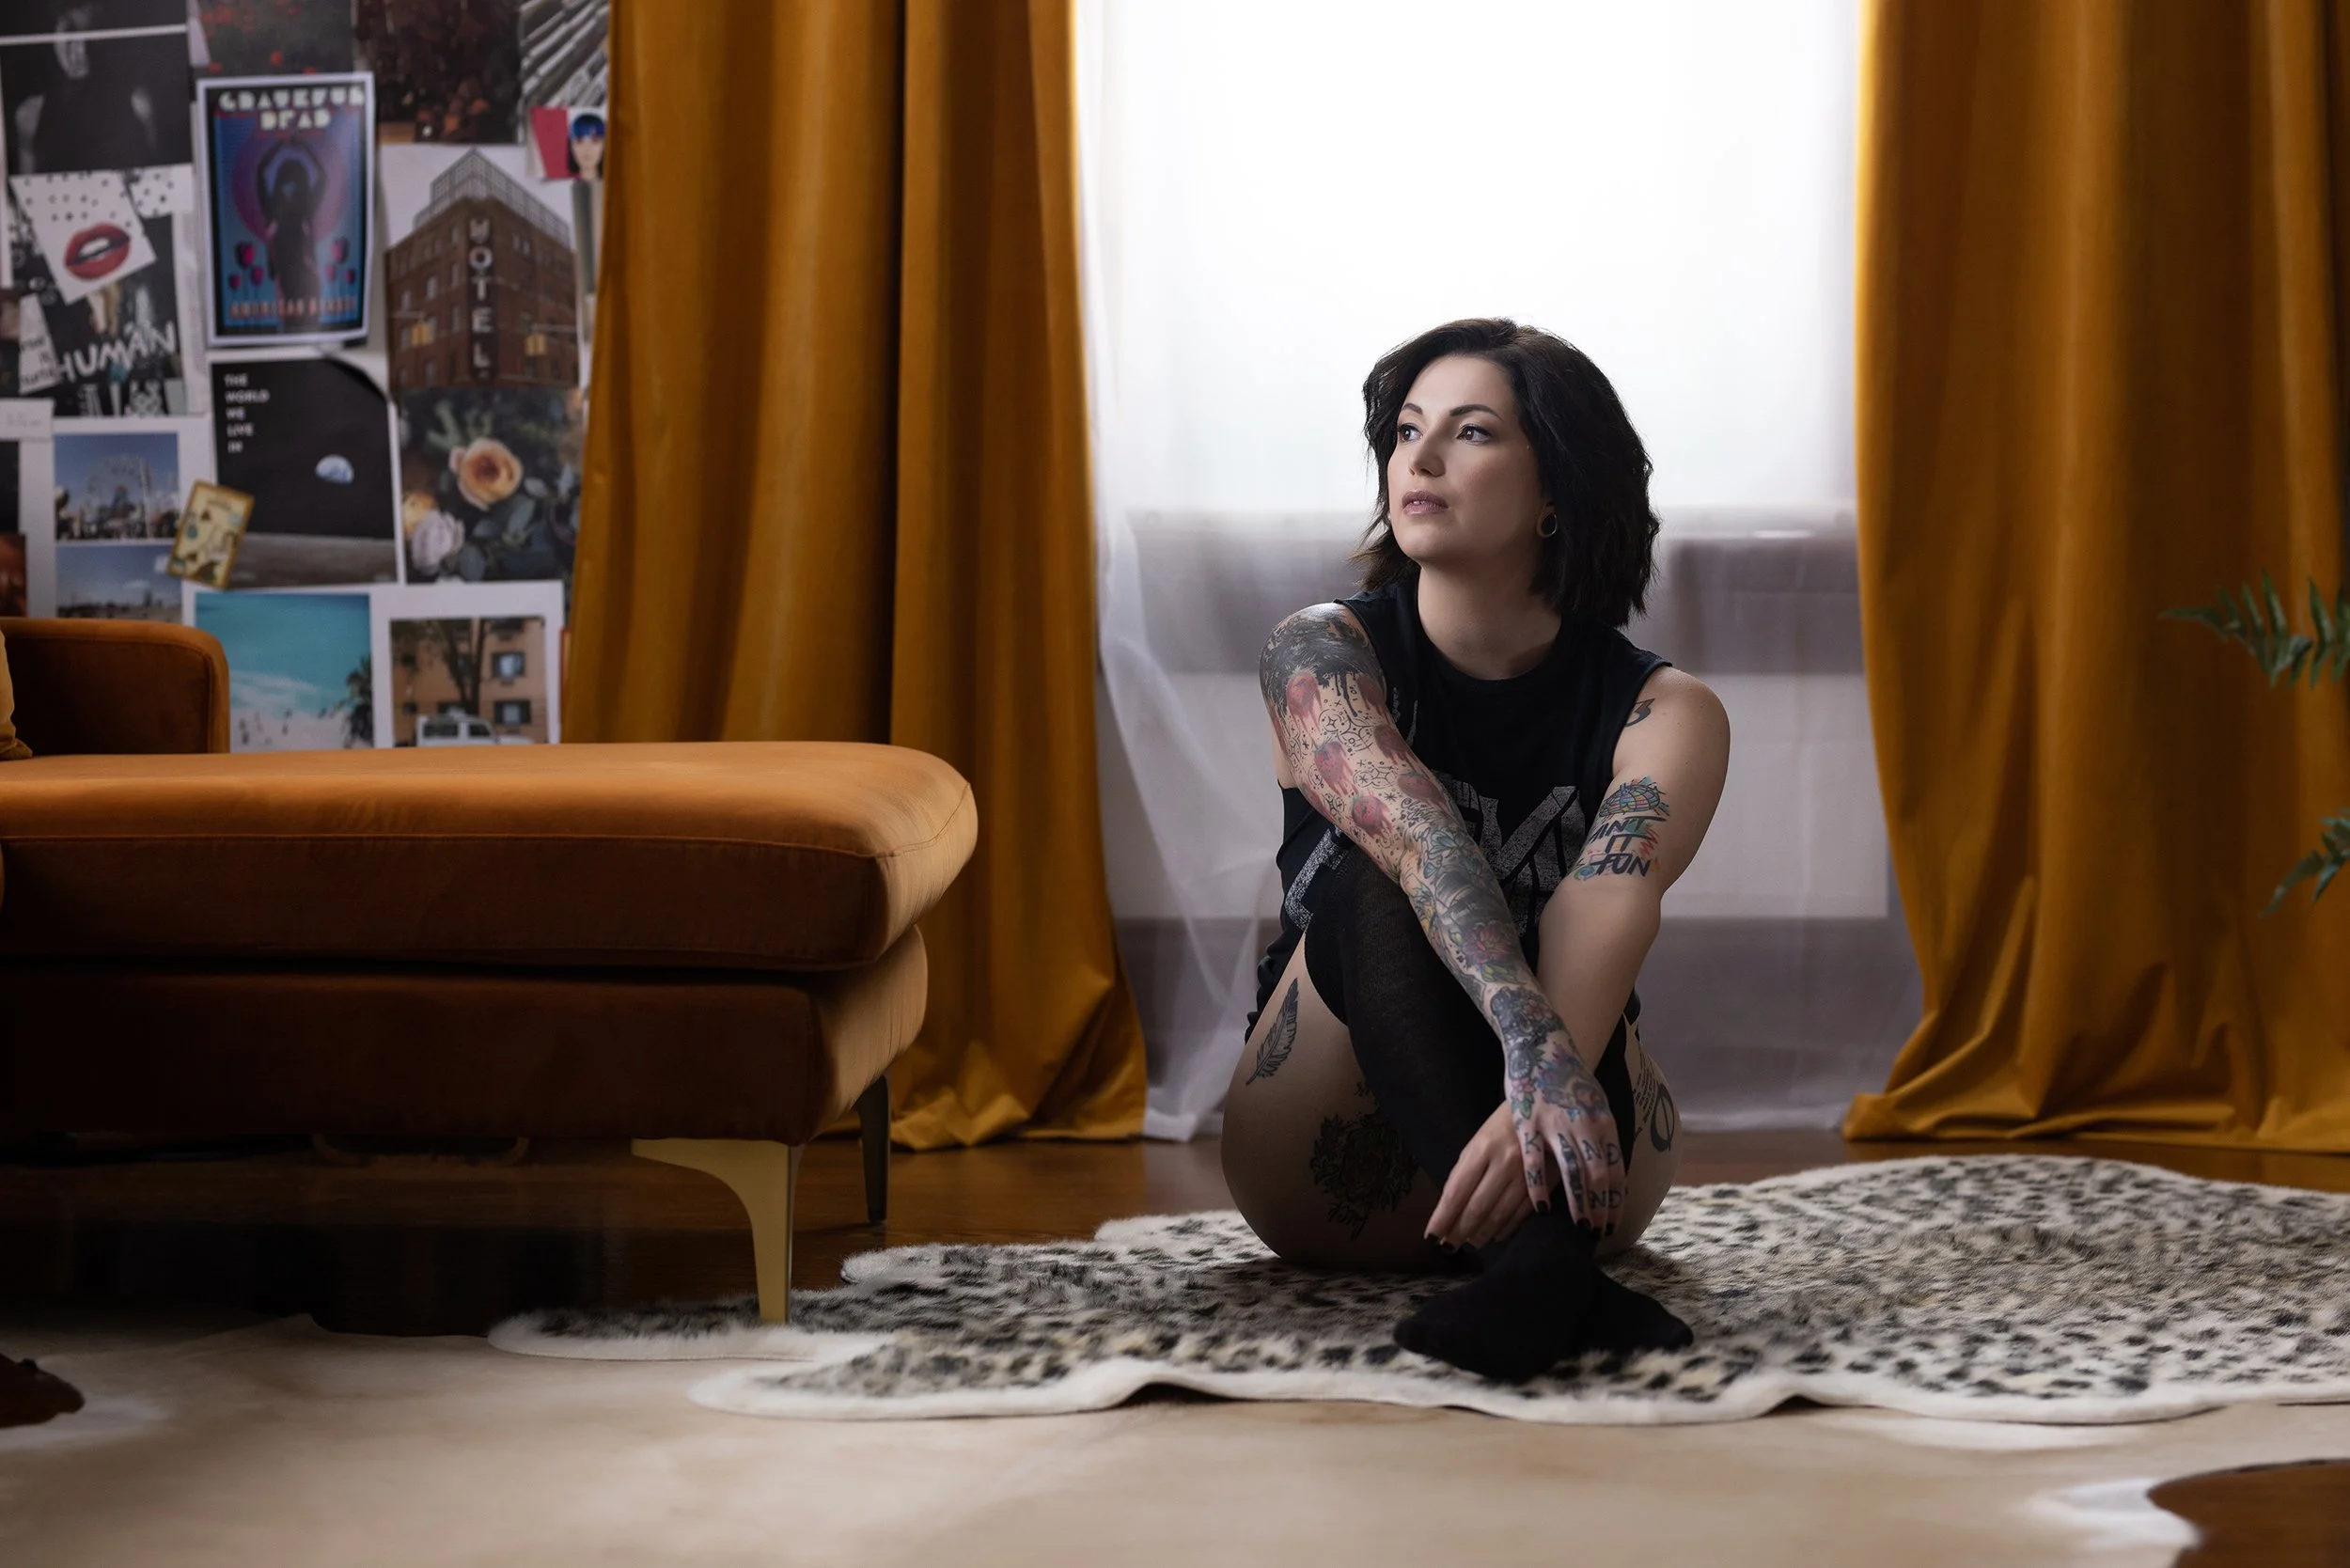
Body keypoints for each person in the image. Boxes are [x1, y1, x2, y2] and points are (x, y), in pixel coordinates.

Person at [1221, 318, 1731, 1383]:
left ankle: (1537, 1270)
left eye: (1472, 432)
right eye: (1408, 431)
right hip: (1327, 1154)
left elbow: (1606, 903)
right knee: (1380, 877)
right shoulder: (1321, 652)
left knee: (1572, 929)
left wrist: (1536, 1079)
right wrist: (1527, 1046)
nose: (1421, 459)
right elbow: (1420, 847)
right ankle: (1549, 1272)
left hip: (1572, 1162)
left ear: (1557, 491)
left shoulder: (1666, 709)